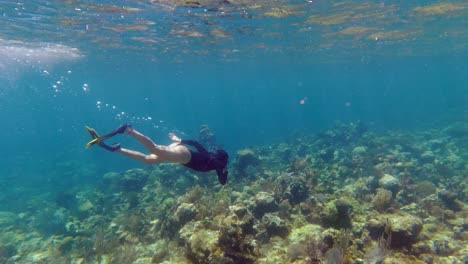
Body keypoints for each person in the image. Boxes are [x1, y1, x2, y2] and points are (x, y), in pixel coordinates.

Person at [85, 124, 229, 185]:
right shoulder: (217, 164)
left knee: (149, 160)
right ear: (223, 160)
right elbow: (222, 181)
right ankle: (129, 130)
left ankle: (117, 149)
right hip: (182, 155)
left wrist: (179, 140)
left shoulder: (211, 158)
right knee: (154, 150)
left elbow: (197, 144)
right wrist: (224, 172)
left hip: (181, 152)